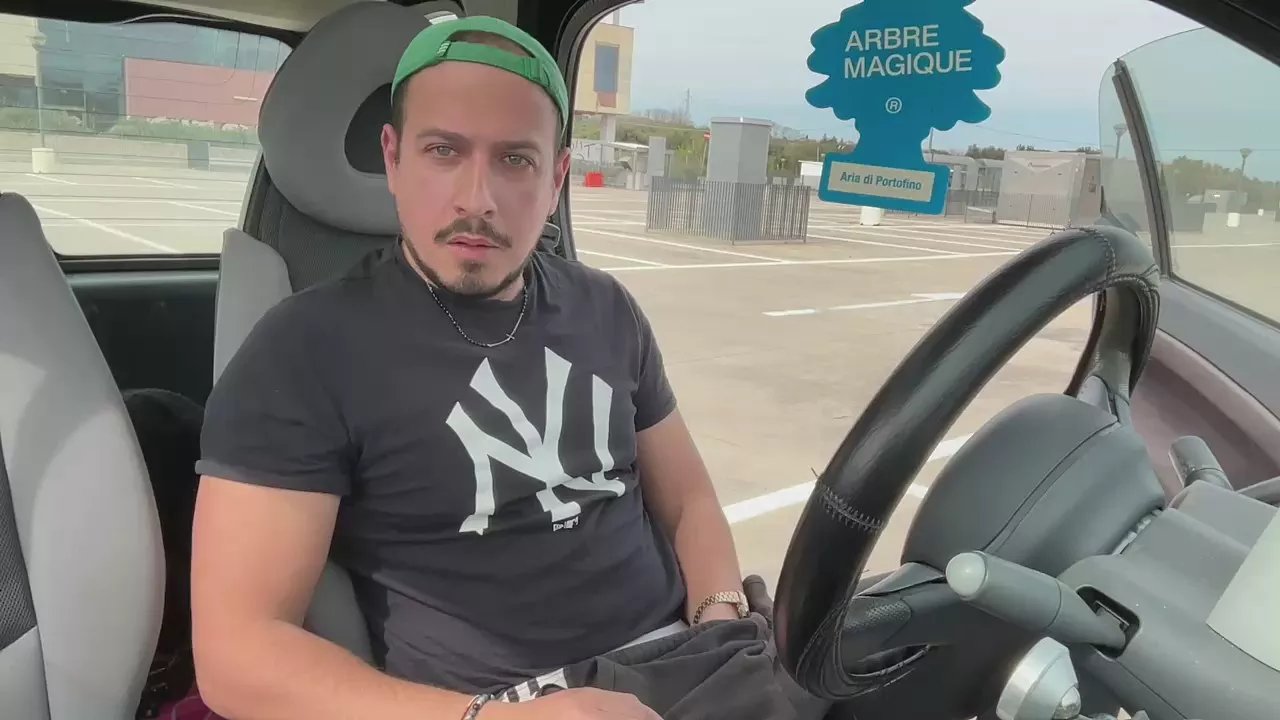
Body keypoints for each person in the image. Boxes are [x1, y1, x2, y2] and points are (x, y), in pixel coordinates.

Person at [190, 15, 827, 720]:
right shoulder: (304, 349)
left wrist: (719, 618)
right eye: (443, 151)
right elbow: (237, 655)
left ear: (556, 179)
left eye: (516, 160)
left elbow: (689, 500)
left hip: (701, 660)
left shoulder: (606, 309)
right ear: (393, 159)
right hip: (509, 702)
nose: (477, 198)